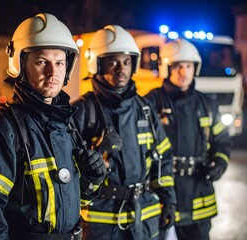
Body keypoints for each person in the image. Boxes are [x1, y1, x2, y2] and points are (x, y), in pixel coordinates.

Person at [0, 13, 106, 240]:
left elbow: (66, 204)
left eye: (59, 63)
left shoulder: (66, 126)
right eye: (41, 62)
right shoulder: (1, 130)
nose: (52, 73)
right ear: (20, 65)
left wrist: (90, 180)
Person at [72, 25, 177, 240]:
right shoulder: (83, 111)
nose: (121, 69)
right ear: (97, 64)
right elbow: (66, 171)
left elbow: (163, 159)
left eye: (127, 62)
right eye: (113, 62)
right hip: (100, 220)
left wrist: (169, 199)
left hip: (144, 215)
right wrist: (97, 152)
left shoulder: (145, 110)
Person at [144, 38, 231, 240]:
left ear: (195, 68)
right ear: (166, 68)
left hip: (198, 195)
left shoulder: (207, 104)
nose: (184, 73)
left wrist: (218, 164)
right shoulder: (149, 103)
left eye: (188, 66)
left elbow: (222, 142)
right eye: (178, 67)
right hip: (160, 194)